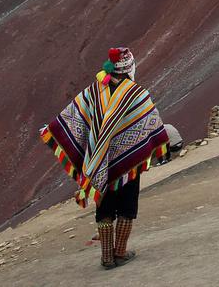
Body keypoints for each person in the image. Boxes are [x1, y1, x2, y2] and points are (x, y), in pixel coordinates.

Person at [41, 47, 169, 269]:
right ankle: (119, 252)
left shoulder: (93, 91)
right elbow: (151, 122)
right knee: (127, 207)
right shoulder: (137, 94)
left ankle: (106, 257)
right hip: (129, 163)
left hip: (100, 163)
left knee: (105, 208)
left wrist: (53, 129)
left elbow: (75, 116)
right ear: (129, 68)